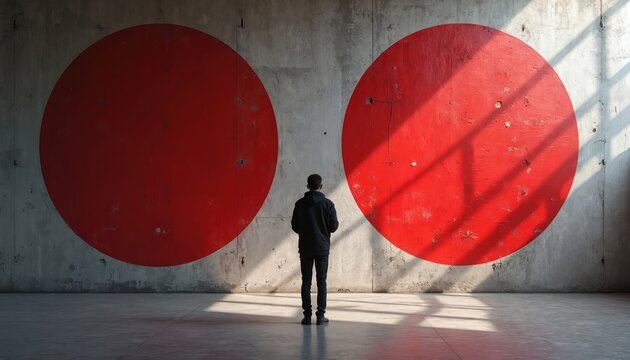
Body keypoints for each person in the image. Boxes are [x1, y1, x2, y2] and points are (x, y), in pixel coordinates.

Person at [291, 174, 339, 325]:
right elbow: (334, 226)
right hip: (322, 248)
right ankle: (320, 316)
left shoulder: (299, 204)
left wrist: (305, 232)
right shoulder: (328, 204)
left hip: (305, 247)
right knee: (321, 282)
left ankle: (306, 316)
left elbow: (294, 225)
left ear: (307, 186)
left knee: (306, 281)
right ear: (321, 186)